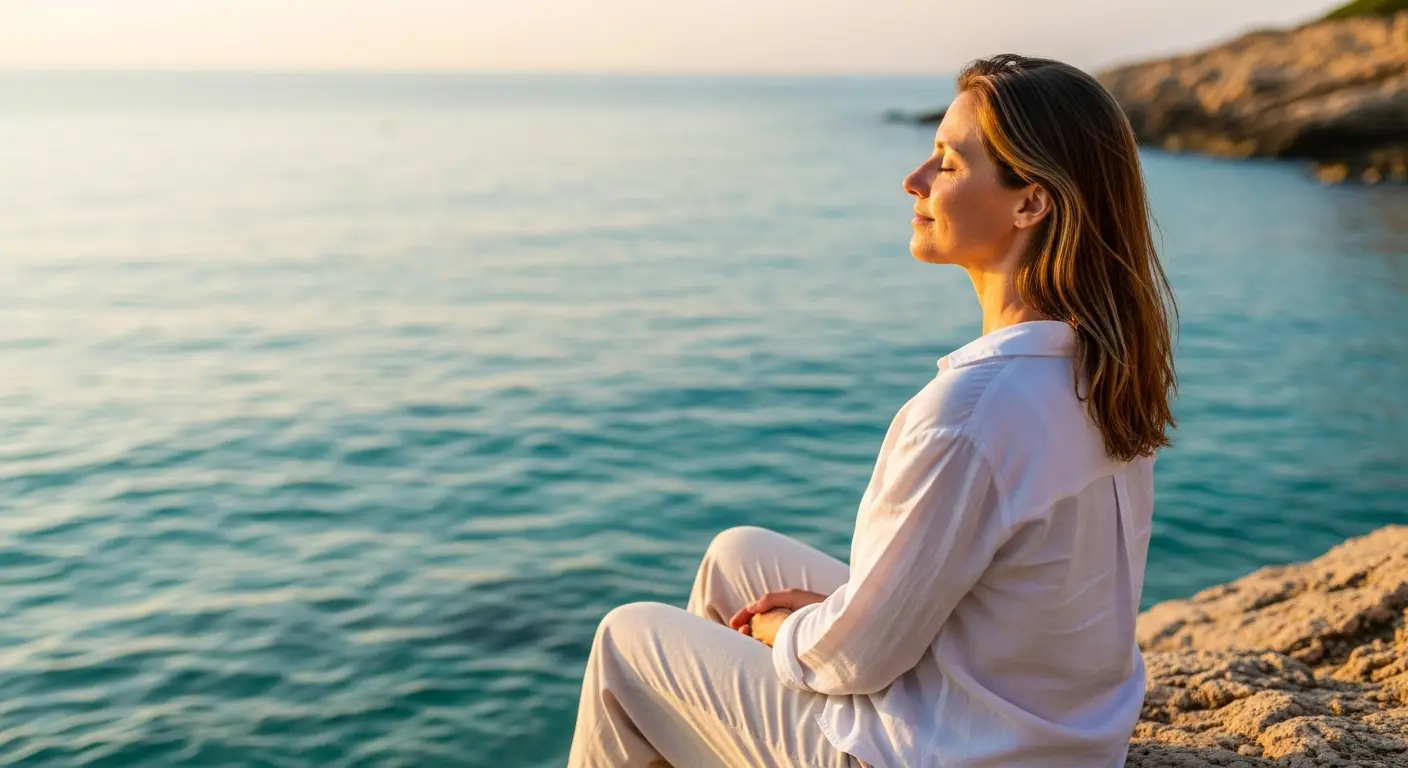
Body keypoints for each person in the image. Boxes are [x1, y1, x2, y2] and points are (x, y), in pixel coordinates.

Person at [567, 53, 1178, 768]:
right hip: (1055, 732)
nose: (915, 180)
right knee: (739, 557)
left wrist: (781, 632)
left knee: (626, 641)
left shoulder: (972, 410)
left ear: (1029, 204)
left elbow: (861, 659)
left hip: (956, 754)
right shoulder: (1096, 367)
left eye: (948, 163)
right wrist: (818, 619)